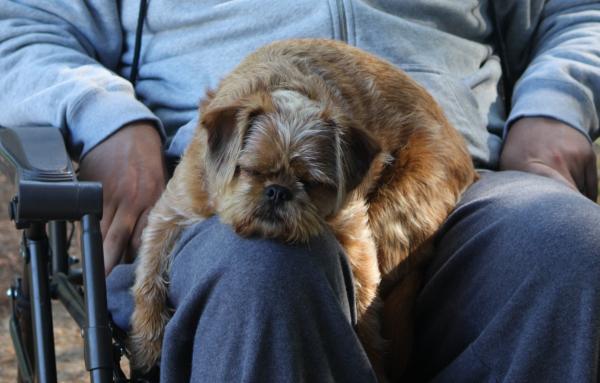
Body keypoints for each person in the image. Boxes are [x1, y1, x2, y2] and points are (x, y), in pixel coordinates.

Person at [1, 1, 599, 381]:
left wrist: (555, 106)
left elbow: (575, 13)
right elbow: (23, 24)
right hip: (224, 186)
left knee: (568, 247)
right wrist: (109, 121)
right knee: (267, 269)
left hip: (460, 177)